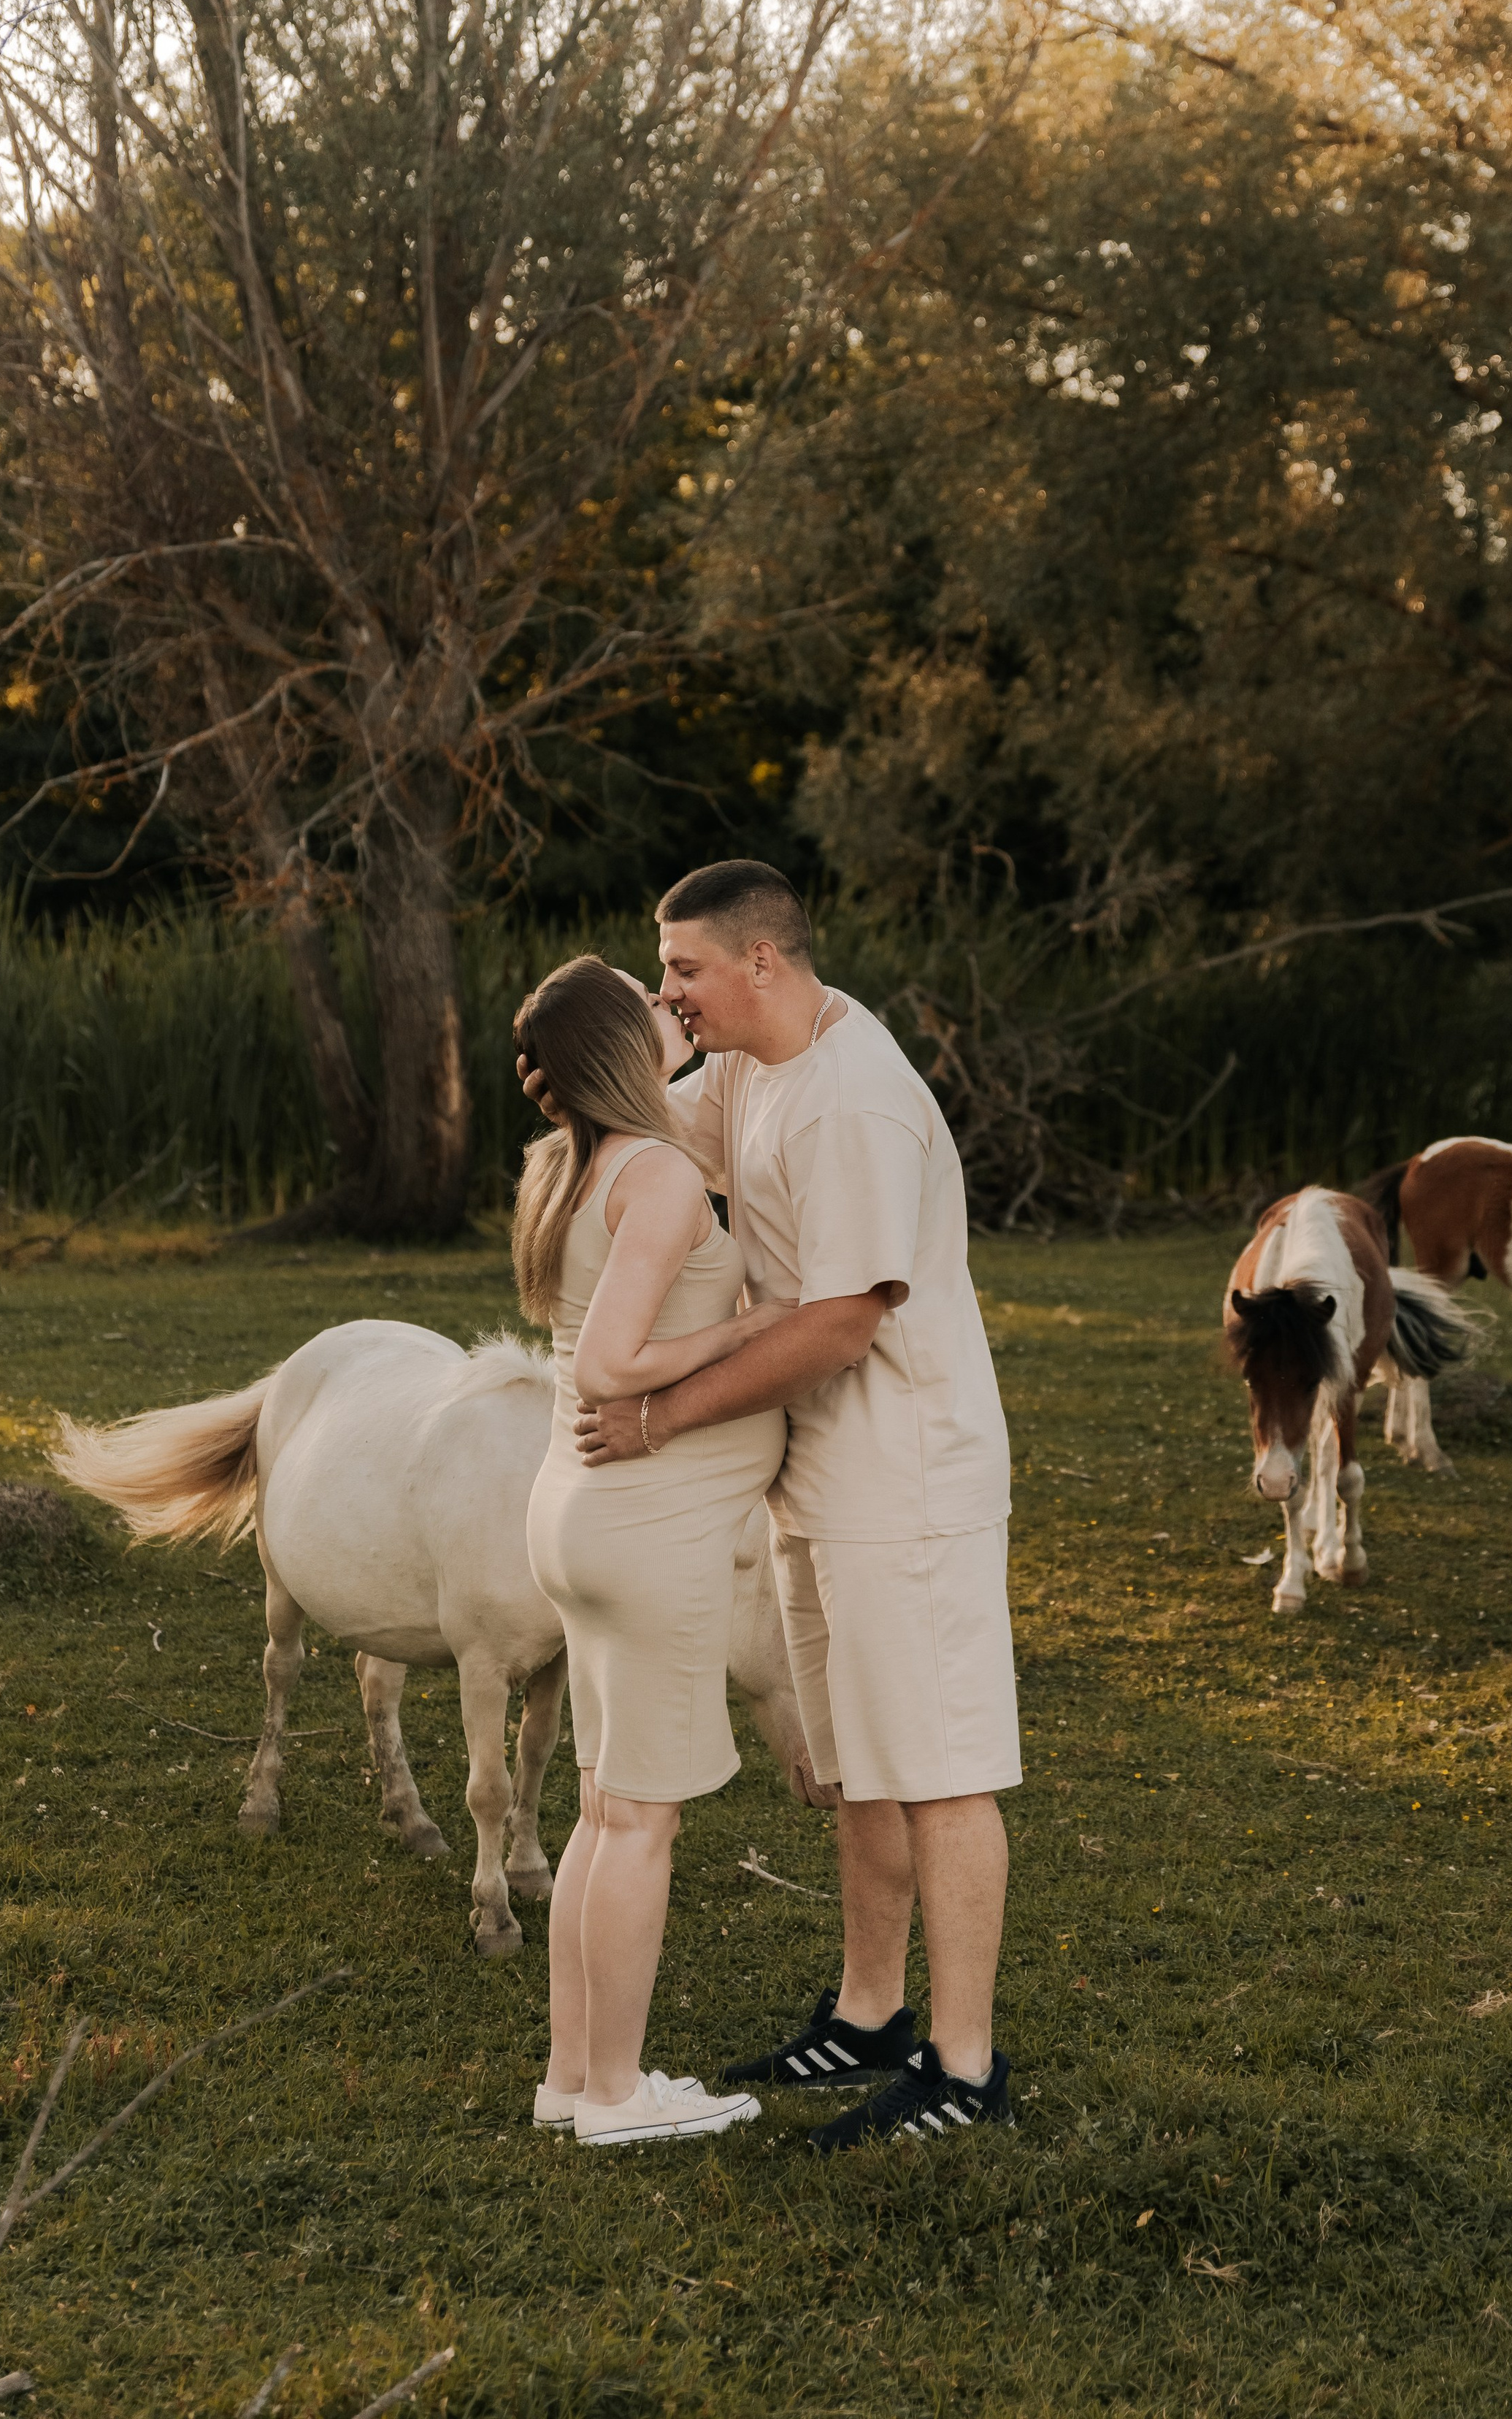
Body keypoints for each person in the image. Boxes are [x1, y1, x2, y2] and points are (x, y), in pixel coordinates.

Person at [525, 860, 1021, 2153]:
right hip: (816, 1480)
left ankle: (963, 2067)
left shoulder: (853, 1104)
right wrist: (574, 1070)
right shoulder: (747, 1066)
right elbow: (636, 1138)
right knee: (858, 1760)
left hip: (905, 1478)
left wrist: (657, 1414)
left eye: (680, 969)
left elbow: (846, 1322)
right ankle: (867, 2015)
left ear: (760, 962)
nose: (670, 993)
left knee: (941, 1770)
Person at [514, 953, 791, 2147]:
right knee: (639, 1823)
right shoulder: (662, 1175)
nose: (669, 1004)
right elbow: (606, 1366)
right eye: (647, 998)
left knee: (601, 1813)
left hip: (583, 1518)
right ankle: (621, 2096)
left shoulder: (573, 1166)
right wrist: (752, 1326)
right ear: (619, 1045)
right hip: (646, 1528)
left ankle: (574, 2080)